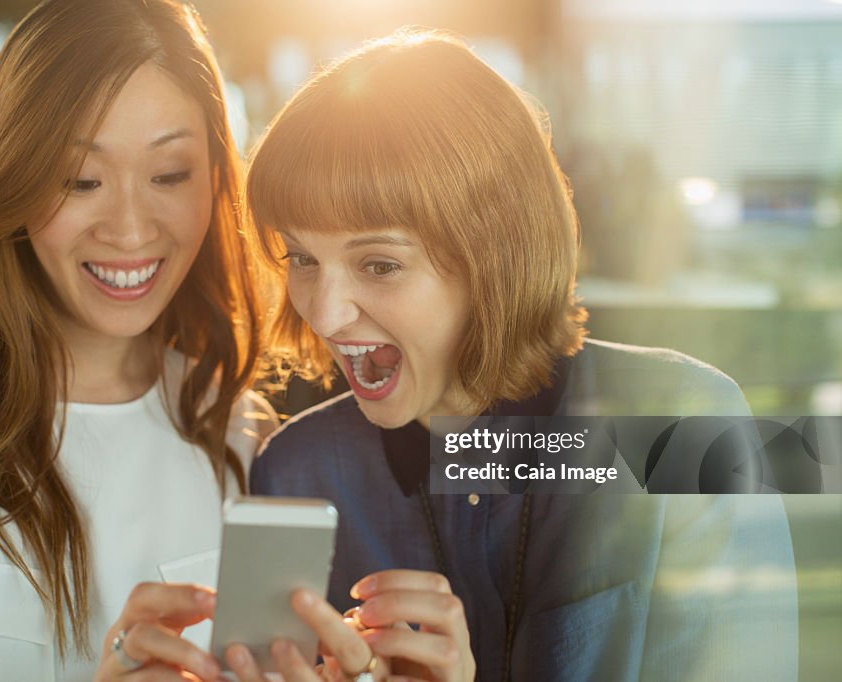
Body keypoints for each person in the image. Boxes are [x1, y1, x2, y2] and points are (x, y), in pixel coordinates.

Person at [241, 30, 798, 681]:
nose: (324, 312)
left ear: (495, 257)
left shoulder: (686, 430)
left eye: (380, 264)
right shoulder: (294, 476)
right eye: (303, 258)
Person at [0, 1, 278, 679]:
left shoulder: (243, 430)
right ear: (15, 180)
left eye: (169, 175)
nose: (129, 229)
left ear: (214, 181)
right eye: (80, 181)